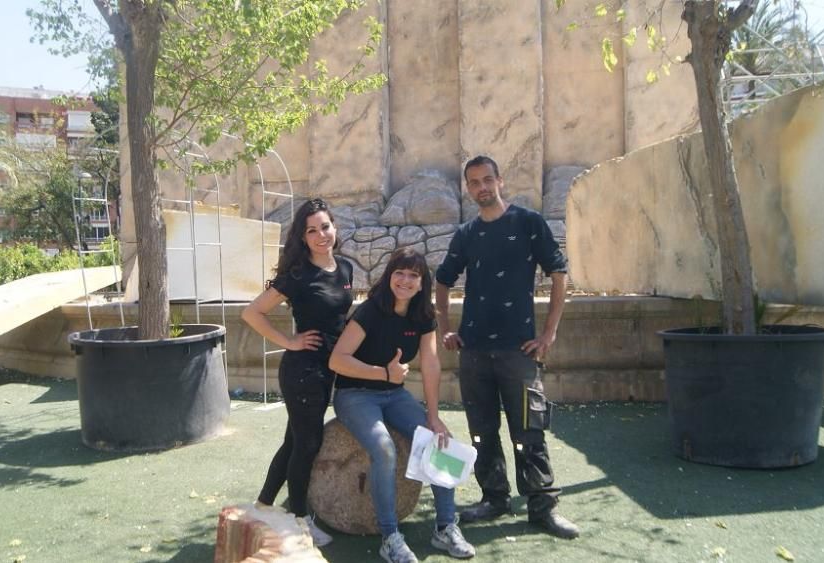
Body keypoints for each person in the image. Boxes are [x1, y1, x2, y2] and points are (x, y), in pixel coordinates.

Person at [434, 155, 580, 539]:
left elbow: (560, 274)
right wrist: (446, 330)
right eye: (474, 182)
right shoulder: (466, 234)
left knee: (530, 430)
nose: (482, 188)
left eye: (487, 180)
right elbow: (442, 281)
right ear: (468, 189)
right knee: (482, 430)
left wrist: (549, 333)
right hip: (475, 352)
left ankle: (542, 506)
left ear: (500, 181)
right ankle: (494, 497)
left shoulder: (529, 223)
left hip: (520, 352)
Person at [329, 248, 475, 563]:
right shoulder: (370, 311)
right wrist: (383, 373)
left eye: (413, 275)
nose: (405, 280)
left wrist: (434, 417)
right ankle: (390, 536)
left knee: (440, 439)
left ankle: (446, 526)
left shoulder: (423, 315)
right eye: (400, 272)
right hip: (355, 394)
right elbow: (337, 360)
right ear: (389, 276)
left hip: (394, 395)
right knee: (384, 448)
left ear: (422, 283)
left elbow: (431, 363)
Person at [241, 198, 353, 547]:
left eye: (325, 227)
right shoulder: (299, 275)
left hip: (329, 369)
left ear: (334, 227)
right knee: (307, 444)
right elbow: (252, 313)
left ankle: (263, 505)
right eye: (312, 230)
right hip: (303, 370)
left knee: (295, 441)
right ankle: (300, 519)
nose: (321, 235)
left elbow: (343, 320)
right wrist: (288, 341)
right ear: (302, 238)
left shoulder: (346, 268)